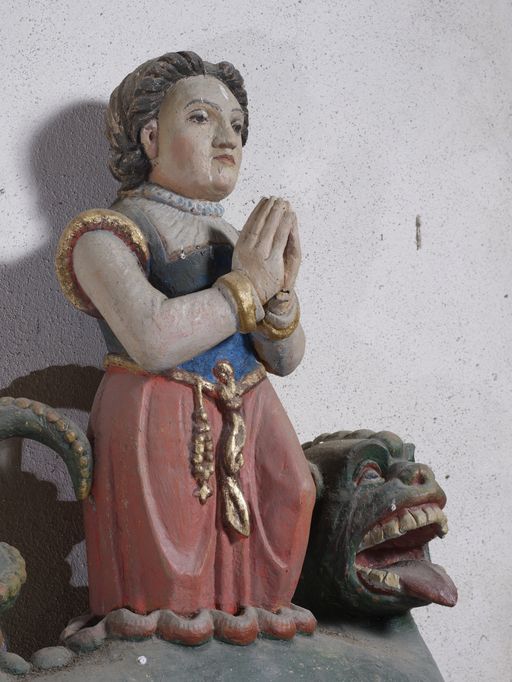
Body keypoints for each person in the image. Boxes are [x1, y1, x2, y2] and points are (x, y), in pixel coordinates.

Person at [56, 51, 316, 643]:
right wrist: (247, 286)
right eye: (202, 118)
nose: (228, 139)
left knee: (292, 493)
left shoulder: (237, 237)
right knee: (178, 543)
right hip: (164, 410)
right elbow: (152, 338)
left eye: (238, 126)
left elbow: (286, 358)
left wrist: (279, 296)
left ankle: (254, 628)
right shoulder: (109, 233)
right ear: (150, 137)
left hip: (250, 407)